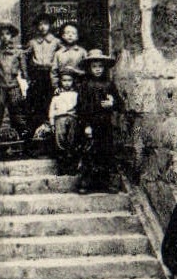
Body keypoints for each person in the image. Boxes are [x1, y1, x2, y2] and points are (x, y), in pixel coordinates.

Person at [76, 50, 123, 193]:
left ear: (104, 68)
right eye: (94, 66)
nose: (97, 69)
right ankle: (86, 183)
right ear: (89, 68)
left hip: (105, 124)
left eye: (100, 66)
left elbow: (120, 104)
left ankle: (107, 183)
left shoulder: (109, 84)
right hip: (90, 124)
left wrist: (112, 104)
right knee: (89, 152)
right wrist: (86, 125)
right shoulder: (85, 85)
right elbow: (81, 108)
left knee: (106, 153)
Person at [0, 23, 28, 157]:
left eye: (7, 34)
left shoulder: (18, 53)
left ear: (12, 35)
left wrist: (24, 88)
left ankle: (23, 148)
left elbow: (24, 72)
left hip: (14, 87)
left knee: (18, 117)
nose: (4, 37)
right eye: (1, 34)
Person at [24, 16, 61, 137]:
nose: (42, 27)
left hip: (51, 75)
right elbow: (23, 56)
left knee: (50, 102)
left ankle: (50, 132)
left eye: (45, 24)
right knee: (36, 103)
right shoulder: (33, 42)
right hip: (37, 75)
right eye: (40, 24)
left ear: (50, 25)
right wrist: (26, 75)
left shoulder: (56, 41)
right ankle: (35, 133)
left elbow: (63, 55)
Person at [48, 69, 80, 173]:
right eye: (64, 80)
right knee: (60, 141)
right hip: (60, 119)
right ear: (60, 81)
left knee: (72, 141)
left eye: (69, 80)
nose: (67, 83)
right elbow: (52, 109)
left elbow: (79, 108)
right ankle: (62, 167)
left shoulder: (76, 94)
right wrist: (52, 123)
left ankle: (71, 167)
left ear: (73, 81)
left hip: (72, 118)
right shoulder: (57, 95)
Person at [50, 22, 87, 90]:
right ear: (63, 36)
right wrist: (56, 87)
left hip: (80, 86)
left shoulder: (82, 52)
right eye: (67, 33)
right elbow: (54, 72)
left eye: (73, 33)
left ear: (77, 37)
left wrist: (75, 71)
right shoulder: (58, 53)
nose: (70, 35)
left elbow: (87, 71)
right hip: (62, 87)